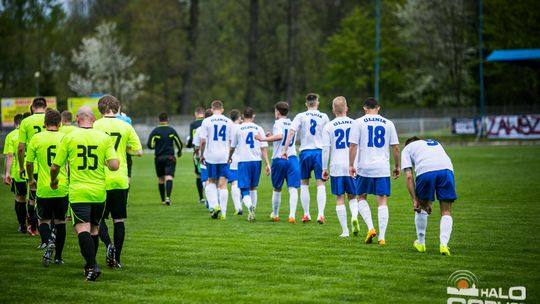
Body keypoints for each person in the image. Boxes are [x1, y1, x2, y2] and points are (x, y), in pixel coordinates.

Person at [50, 106, 119, 281]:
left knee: (82, 229)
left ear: (77, 119)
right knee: (94, 229)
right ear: (94, 120)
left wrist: (53, 180)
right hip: (99, 192)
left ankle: (93, 265)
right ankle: (90, 265)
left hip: (79, 191)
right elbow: (114, 165)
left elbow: (55, 166)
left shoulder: (69, 137)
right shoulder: (104, 138)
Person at [94, 95, 143, 268]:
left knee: (98, 219)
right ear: (117, 108)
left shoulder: (94, 126)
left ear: (100, 109)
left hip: (100, 179)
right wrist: (123, 149)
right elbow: (138, 151)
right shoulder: (125, 126)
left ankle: (109, 246)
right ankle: (117, 259)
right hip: (120, 178)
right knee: (119, 220)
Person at [349, 97, 400, 246]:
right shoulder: (388, 123)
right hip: (382, 168)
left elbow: (353, 146)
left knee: (361, 197)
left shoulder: (357, 122)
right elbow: (395, 147)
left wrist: (351, 165)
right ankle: (382, 237)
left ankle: (371, 228)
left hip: (364, 167)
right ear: (378, 108)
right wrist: (397, 166)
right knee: (382, 201)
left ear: (364, 108)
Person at [26, 109, 69, 266]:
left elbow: (29, 163)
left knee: (43, 220)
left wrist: (31, 179)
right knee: (60, 222)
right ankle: (58, 257)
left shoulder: (37, 138)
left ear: (44, 123)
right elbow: (69, 163)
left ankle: (48, 240)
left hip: (43, 187)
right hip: (62, 187)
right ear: (60, 123)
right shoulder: (65, 137)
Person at [401, 136, 457, 256]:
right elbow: (436, 164)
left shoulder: (406, 149)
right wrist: (429, 203)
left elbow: (409, 176)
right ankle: (444, 245)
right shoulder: (434, 142)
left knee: (420, 208)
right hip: (447, 170)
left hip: (425, 171)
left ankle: (421, 244)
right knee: (446, 211)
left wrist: (415, 200)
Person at [282, 93, 329, 224]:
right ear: (317, 103)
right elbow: (330, 135)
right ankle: (320, 215)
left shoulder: (301, 116)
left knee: (304, 183)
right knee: (320, 183)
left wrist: (285, 149)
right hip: (319, 152)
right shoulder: (324, 116)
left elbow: (291, 132)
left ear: (306, 104)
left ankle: (306, 214)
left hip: (305, 152)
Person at [256, 101, 300, 223]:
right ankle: (292, 215)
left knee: (277, 188)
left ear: (277, 112)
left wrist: (264, 138)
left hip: (280, 158)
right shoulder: (292, 123)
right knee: (293, 188)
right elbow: (285, 136)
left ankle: (275, 214)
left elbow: (280, 136)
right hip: (292, 158)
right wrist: (272, 136)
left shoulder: (278, 123)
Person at [322, 97, 358, 237]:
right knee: (353, 196)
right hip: (353, 165)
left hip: (337, 166)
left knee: (339, 197)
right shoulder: (355, 124)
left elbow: (326, 149)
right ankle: (354, 216)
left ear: (333, 110)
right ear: (346, 108)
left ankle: (345, 231)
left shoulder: (329, 126)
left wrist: (324, 168)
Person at [228, 107, 270, 222]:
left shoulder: (239, 129)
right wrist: (267, 164)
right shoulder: (259, 128)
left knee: (244, 189)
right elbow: (264, 148)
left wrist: (229, 157)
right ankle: (252, 211)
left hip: (243, 161)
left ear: (243, 116)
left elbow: (232, 146)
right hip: (257, 161)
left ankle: (250, 207)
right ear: (253, 116)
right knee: (253, 187)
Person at [18, 97, 47, 235]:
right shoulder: (51, 118)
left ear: (33, 107)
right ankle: (50, 227)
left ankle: (33, 227)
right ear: (45, 107)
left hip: (32, 165)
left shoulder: (26, 121)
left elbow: (21, 147)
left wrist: (21, 166)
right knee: (48, 196)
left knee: (32, 197)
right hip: (47, 164)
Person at [199, 100, 233, 219]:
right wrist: (230, 156)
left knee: (211, 181)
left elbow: (203, 141)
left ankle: (214, 205)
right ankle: (223, 213)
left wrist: (201, 155)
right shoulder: (229, 121)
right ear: (222, 109)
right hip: (224, 155)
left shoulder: (206, 121)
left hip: (211, 156)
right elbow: (231, 141)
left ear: (212, 109)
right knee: (223, 184)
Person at [147, 112, 183, 205]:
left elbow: (149, 145)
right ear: (167, 119)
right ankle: (168, 198)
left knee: (161, 179)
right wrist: (179, 151)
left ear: (159, 120)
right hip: (170, 157)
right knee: (169, 177)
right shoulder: (171, 130)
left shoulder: (155, 131)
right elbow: (179, 143)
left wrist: (156, 147)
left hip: (159, 158)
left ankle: (162, 200)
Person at [3, 114, 28, 233]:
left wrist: (7, 173)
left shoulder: (11, 135)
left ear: (15, 123)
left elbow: (9, 155)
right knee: (34, 199)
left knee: (20, 198)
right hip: (32, 170)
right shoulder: (30, 133)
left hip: (18, 173)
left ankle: (22, 225)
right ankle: (34, 225)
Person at [193, 109, 213, 208]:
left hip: (205, 157)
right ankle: (214, 201)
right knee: (217, 180)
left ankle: (210, 200)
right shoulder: (219, 126)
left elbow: (196, 145)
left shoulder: (200, 129)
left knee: (206, 180)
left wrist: (197, 154)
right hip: (218, 157)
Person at [186, 106, 205, 203]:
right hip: (209, 151)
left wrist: (187, 144)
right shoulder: (207, 122)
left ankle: (201, 197)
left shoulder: (193, 124)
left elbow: (191, 141)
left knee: (199, 175)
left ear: (196, 114)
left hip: (197, 153)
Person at [228, 109, 243, 215]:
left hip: (232, 158)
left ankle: (238, 207)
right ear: (239, 117)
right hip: (244, 158)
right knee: (244, 183)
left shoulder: (229, 127)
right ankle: (245, 204)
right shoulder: (242, 127)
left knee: (234, 182)